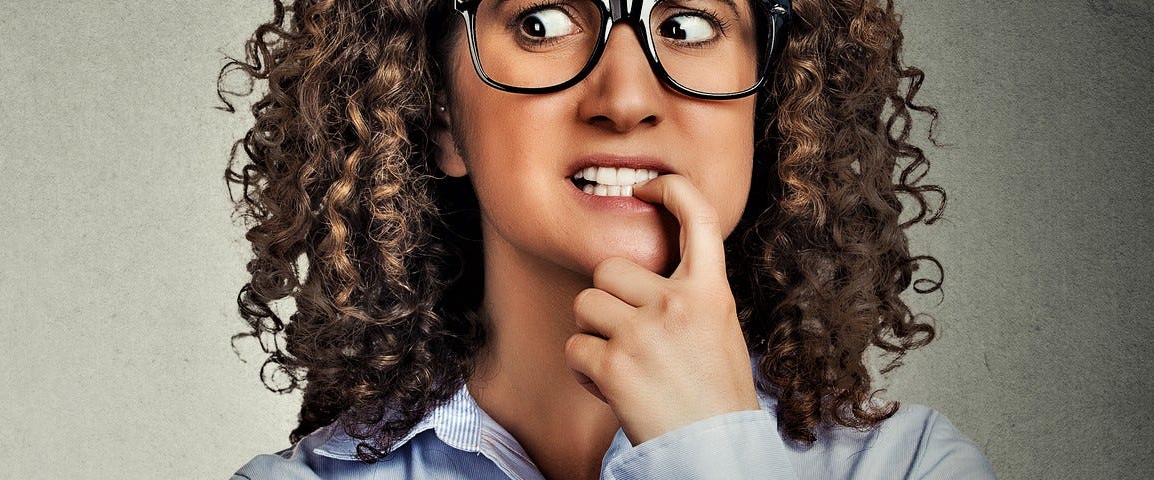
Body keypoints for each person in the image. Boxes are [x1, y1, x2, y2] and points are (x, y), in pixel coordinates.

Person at [219, 0, 996, 478]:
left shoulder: (911, 470)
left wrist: (712, 452)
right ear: (441, 115)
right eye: (542, 22)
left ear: (776, 107)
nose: (625, 97)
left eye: (688, 24)